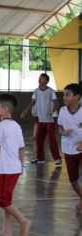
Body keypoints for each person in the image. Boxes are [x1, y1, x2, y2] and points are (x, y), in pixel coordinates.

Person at [0, 94, 31, 236]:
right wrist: (20, 166)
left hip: (5, 170)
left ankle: (23, 221)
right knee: (5, 200)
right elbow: (21, 148)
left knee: (3, 200)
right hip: (14, 168)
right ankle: (7, 231)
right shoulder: (16, 126)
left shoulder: (0, 126)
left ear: (5, 109)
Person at [20, 73, 62, 165]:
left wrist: (52, 111)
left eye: (42, 78)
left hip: (51, 118)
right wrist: (25, 111)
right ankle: (40, 159)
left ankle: (57, 159)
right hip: (41, 118)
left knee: (51, 138)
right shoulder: (36, 91)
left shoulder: (51, 91)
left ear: (46, 81)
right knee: (39, 139)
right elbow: (32, 103)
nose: (40, 79)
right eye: (39, 78)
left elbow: (56, 104)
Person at [57, 83, 82, 214]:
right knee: (73, 181)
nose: (64, 97)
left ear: (77, 97)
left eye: (67, 94)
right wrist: (63, 132)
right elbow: (59, 127)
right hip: (69, 150)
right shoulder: (62, 111)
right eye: (63, 94)